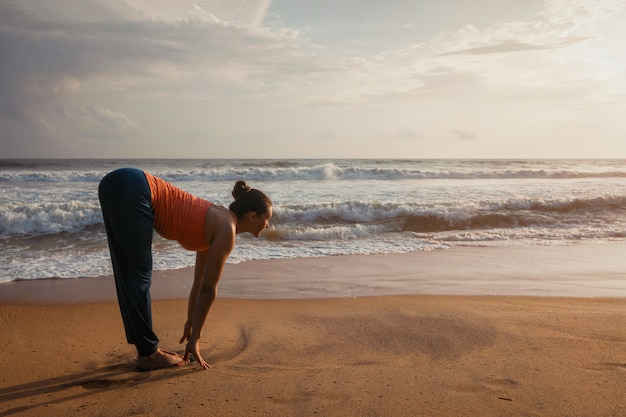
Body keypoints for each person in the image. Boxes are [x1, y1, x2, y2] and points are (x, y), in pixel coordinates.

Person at [98, 168, 272, 371]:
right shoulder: (227, 230)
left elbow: (199, 283)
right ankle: (149, 354)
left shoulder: (219, 220)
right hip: (136, 188)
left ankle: (146, 349)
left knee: (127, 273)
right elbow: (209, 289)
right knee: (138, 275)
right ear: (253, 216)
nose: (268, 225)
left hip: (116, 183)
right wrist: (196, 340)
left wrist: (191, 322)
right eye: (267, 219)